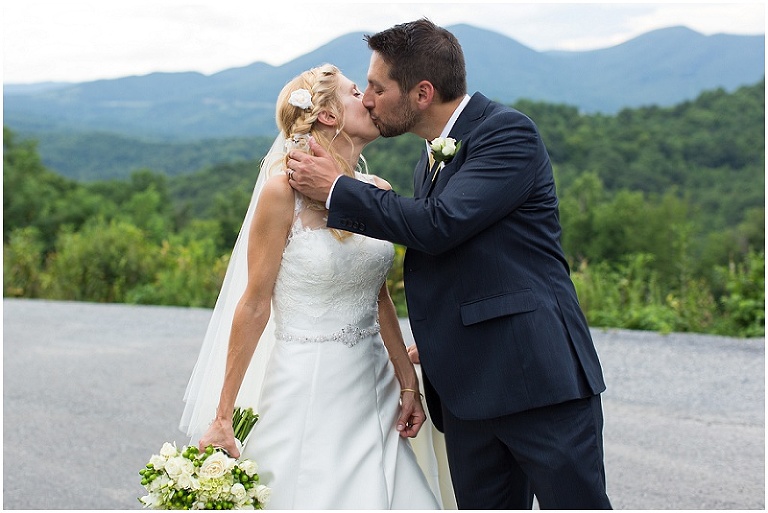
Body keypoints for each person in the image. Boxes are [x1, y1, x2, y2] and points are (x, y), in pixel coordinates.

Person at [286, 19, 612, 510]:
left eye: (378, 87)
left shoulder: (507, 133)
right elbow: (459, 257)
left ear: (421, 92)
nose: (368, 99)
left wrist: (336, 189)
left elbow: (440, 224)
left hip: (536, 381)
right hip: (466, 391)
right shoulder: (427, 160)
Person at [179, 63, 441, 510]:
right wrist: (223, 416)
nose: (371, 100)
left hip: (373, 383)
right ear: (328, 115)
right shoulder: (282, 193)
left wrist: (407, 382)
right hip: (309, 384)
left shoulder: (376, 188)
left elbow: (379, 298)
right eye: (358, 92)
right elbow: (255, 303)